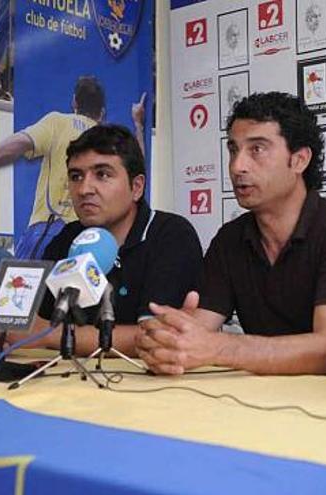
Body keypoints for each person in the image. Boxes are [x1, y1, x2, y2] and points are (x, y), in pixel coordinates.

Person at [136, 92, 326, 376]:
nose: (237, 166)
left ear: (299, 160)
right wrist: (168, 341)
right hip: (262, 404)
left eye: (257, 149)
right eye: (233, 150)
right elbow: (199, 329)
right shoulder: (230, 239)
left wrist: (219, 348)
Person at [18, 124, 203, 357]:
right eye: (76, 176)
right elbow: (37, 322)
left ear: (136, 187)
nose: (84, 189)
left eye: (102, 174)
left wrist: (48, 335)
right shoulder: (66, 238)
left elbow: (153, 336)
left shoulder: (172, 235)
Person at [0, 76, 146, 259]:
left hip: (48, 232)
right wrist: (138, 124)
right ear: (101, 113)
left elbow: (19, 142)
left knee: (22, 295)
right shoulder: (107, 140)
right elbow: (136, 167)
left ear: (74, 102)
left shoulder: (58, 122)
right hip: (92, 242)